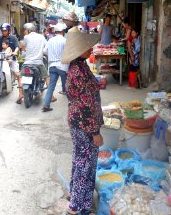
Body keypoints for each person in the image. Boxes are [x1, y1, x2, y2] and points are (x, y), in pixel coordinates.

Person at [61, 28, 103, 215]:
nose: (91, 49)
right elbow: (86, 106)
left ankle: (75, 195)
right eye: (88, 47)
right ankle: (78, 206)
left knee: (80, 160)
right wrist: (95, 132)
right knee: (85, 163)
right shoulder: (78, 70)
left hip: (78, 121)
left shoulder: (79, 65)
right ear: (79, 50)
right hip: (84, 123)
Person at [0, 23, 23, 104]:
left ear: (8, 30)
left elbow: (17, 46)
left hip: (11, 59)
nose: (3, 32)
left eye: (5, 30)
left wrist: (15, 52)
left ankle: (20, 94)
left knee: (17, 74)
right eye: (2, 30)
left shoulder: (13, 37)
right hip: (2, 59)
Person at [42, 22, 68, 112]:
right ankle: (72, 106)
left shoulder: (50, 40)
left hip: (52, 66)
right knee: (67, 86)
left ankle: (46, 105)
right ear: (63, 31)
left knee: (51, 86)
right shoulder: (65, 40)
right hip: (63, 66)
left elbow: (44, 51)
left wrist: (51, 55)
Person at [20, 22, 48, 104]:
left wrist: (25, 49)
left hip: (27, 63)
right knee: (46, 76)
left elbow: (23, 46)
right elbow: (46, 46)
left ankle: (20, 95)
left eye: (25, 30)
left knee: (20, 77)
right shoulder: (41, 37)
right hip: (38, 63)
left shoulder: (26, 37)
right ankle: (52, 96)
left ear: (28, 30)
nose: (24, 32)